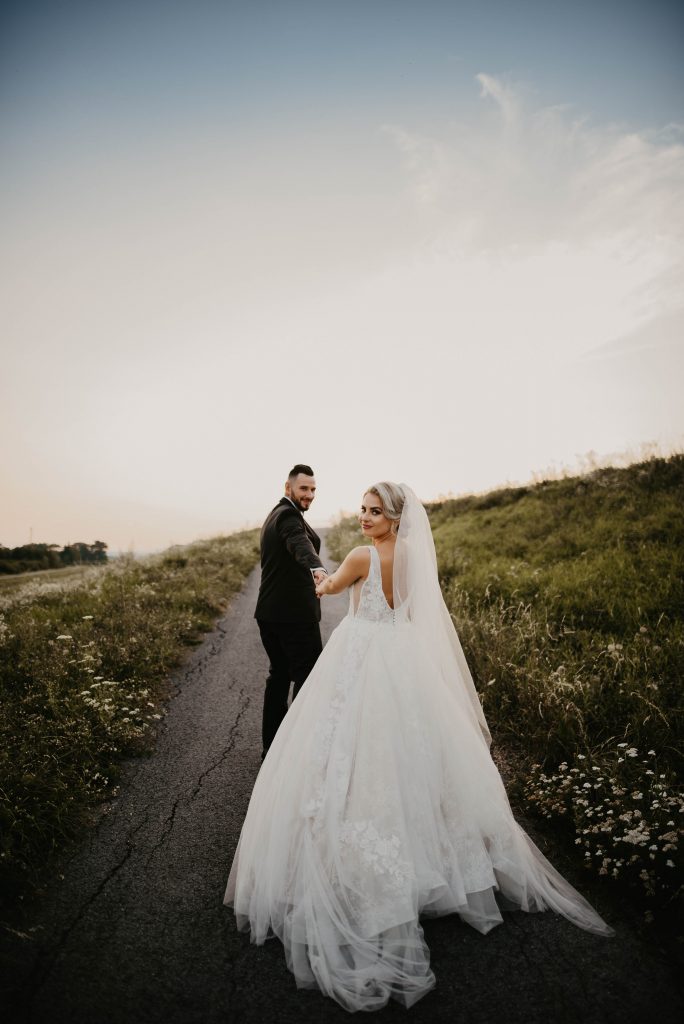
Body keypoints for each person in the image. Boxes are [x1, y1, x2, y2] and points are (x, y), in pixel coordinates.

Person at [225, 482, 613, 1012]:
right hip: (402, 657)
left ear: (393, 516)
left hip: (363, 654)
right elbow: (410, 605)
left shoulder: (361, 557)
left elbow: (331, 589)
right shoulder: (410, 555)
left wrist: (320, 577)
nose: (364, 518)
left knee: (352, 751)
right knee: (413, 748)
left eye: (374, 511)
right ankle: (440, 856)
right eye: (362, 510)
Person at [254, 464, 328, 759]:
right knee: (308, 678)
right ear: (288, 488)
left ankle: (273, 747)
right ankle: (297, 750)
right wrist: (317, 568)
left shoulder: (275, 513)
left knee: (280, 675)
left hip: (270, 613)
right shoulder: (287, 516)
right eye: (303, 489)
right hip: (293, 618)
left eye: (313, 490)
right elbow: (299, 543)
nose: (309, 495)